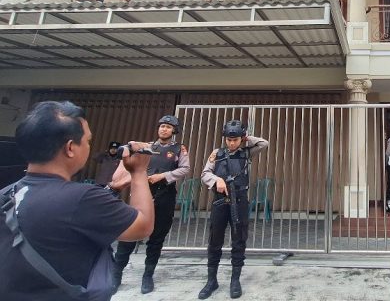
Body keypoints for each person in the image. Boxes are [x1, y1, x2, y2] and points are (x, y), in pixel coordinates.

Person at [0, 101, 154, 301]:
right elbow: (142, 226)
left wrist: (112, 188)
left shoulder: (6, 195)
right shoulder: (83, 198)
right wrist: (139, 171)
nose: (89, 146)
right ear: (70, 148)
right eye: (88, 141)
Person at [111, 114, 190, 294]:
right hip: (141, 195)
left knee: (156, 238)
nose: (164, 129)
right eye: (162, 126)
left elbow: (185, 169)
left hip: (165, 195)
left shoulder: (179, 149)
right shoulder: (145, 147)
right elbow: (129, 164)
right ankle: (116, 275)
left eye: (168, 127)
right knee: (130, 235)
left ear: (173, 131)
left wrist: (163, 176)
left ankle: (148, 275)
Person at [198, 120, 269, 299]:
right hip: (220, 201)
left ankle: (235, 280)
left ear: (240, 139)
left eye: (235, 139)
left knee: (239, 239)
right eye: (229, 140)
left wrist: (246, 138)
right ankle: (211, 280)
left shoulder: (247, 152)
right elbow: (205, 174)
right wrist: (217, 180)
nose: (231, 143)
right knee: (215, 240)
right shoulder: (217, 153)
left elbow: (264, 143)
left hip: (240, 200)